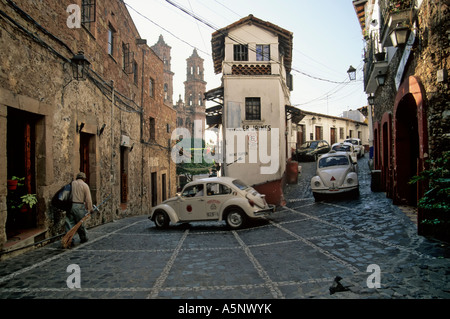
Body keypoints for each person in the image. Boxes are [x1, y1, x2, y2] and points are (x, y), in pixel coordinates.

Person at [65, 172, 93, 245]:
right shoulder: (85, 185)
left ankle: (69, 240)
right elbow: (88, 199)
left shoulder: (72, 183)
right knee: (80, 223)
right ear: (84, 178)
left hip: (70, 205)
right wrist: (90, 209)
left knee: (69, 223)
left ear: (77, 178)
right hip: (79, 205)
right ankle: (83, 237)